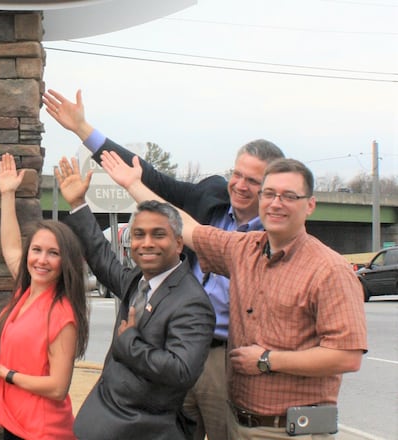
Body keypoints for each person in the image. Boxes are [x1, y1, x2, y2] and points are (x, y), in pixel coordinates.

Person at [43, 88, 284, 440]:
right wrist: (84, 130)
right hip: (165, 344)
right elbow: (149, 178)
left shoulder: (272, 236)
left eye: (253, 180)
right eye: (238, 173)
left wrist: (130, 344)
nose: (240, 185)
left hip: (222, 354)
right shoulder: (211, 196)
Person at [100, 152, 368, 439]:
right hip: (239, 422)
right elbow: (186, 226)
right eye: (269, 194)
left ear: (310, 205)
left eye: (289, 196)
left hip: (291, 429)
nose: (276, 203)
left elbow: (346, 356)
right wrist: (133, 185)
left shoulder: (329, 269)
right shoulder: (244, 248)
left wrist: (267, 360)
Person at [54, 157, 215, 440]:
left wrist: (130, 343)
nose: (146, 243)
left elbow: (182, 371)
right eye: (139, 235)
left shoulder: (192, 302)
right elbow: (102, 258)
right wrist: (78, 204)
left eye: (158, 234)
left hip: (142, 429)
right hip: (103, 418)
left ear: (179, 243)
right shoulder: (137, 281)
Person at [0, 153, 90, 440]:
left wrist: (4, 372)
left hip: (42, 432)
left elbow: (58, 387)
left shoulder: (62, 314)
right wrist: (7, 194)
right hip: (15, 424)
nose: (42, 260)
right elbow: (11, 248)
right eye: (36, 250)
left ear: (65, 262)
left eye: (53, 253)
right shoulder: (25, 293)